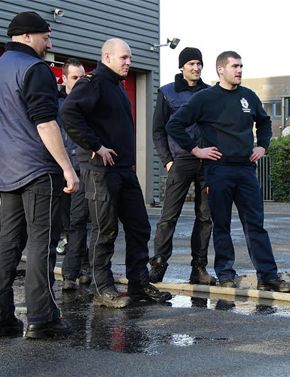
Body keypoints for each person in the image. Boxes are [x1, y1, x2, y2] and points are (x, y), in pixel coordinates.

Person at [166, 50, 290, 293]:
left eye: (241, 66)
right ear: (220, 70)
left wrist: (263, 145)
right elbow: (174, 124)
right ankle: (226, 274)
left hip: (246, 170)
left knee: (256, 225)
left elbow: (265, 122)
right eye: (234, 66)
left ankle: (268, 276)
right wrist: (196, 150)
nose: (239, 71)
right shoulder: (205, 98)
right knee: (222, 224)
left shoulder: (249, 97)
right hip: (218, 170)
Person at [0, 11, 79, 339]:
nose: (49, 43)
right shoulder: (35, 69)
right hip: (38, 169)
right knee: (43, 242)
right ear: (27, 36)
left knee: (8, 241)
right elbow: (44, 122)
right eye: (45, 36)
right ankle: (42, 319)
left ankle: (1, 319)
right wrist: (67, 168)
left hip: (6, 169)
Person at [61, 38, 172, 308]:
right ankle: (103, 288)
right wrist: (95, 146)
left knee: (139, 226)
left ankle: (139, 283)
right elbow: (68, 113)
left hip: (123, 170)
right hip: (99, 170)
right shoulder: (93, 83)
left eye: (130, 58)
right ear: (107, 57)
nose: (128, 62)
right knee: (104, 229)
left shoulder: (118, 87)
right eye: (124, 58)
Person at [150, 47, 215, 285]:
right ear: (182, 67)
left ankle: (199, 269)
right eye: (191, 64)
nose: (196, 68)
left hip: (208, 161)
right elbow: (158, 130)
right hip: (180, 160)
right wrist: (167, 160)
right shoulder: (167, 93)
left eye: (199, 64)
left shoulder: (210, 93)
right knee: (169, 216)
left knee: (205, 217)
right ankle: (158, 265)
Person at [58, 58, 92, 290]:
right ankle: (84, 265)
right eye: (74, 78)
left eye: (82, 78)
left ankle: (70, 274)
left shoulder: (89, 104)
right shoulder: (53, 103)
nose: (79, 82)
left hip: (81, 168)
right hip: (59, 170)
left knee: (78, 221)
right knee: (65, 224)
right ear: (64, 79)